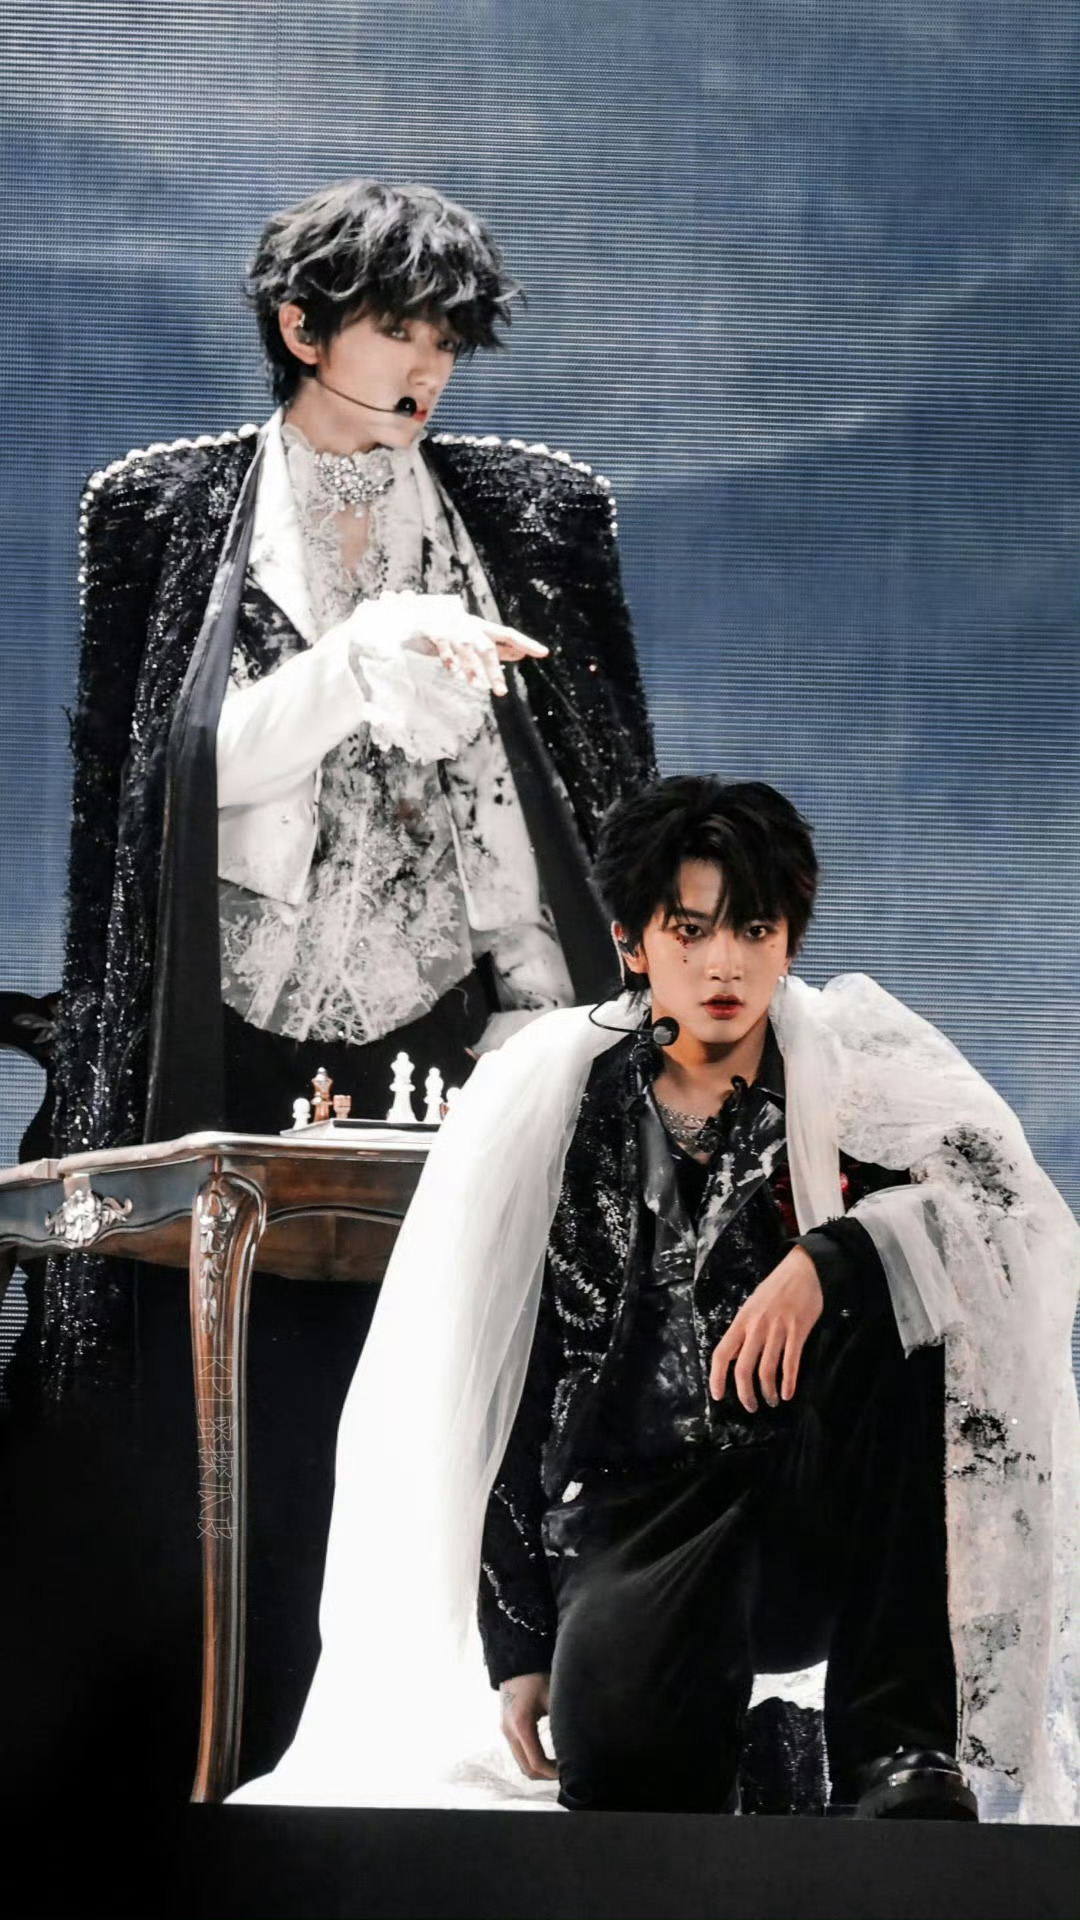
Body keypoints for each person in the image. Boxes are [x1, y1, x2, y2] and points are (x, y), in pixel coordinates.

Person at [24, 178, 653, 1795]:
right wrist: (350, 672)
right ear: (302, 328)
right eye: (397, 330)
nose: (428, 367)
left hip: (456, 1041)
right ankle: (190, 1773)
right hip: (236, 1043)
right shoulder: (167, 510)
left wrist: (569, 1040)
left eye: (448, 338)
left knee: (464, 1421)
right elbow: (155, 801)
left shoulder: (532, 513)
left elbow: (582, 803)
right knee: (235, 1447)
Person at [231, 776, 1078, 1820]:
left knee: (906, 1290)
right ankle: (713, 1743)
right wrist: (520, 1641)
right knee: (630, 1781)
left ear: (789, 943)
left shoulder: (856, 1078)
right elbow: (502, 1372)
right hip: (634, 1510)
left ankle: (896, 1749)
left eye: (754, 930)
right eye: (692, 930)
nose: (725, 964)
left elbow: (1007, 1214)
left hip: (808, 1492)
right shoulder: (558, 1101)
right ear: (634, 943)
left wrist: (832, 1257)